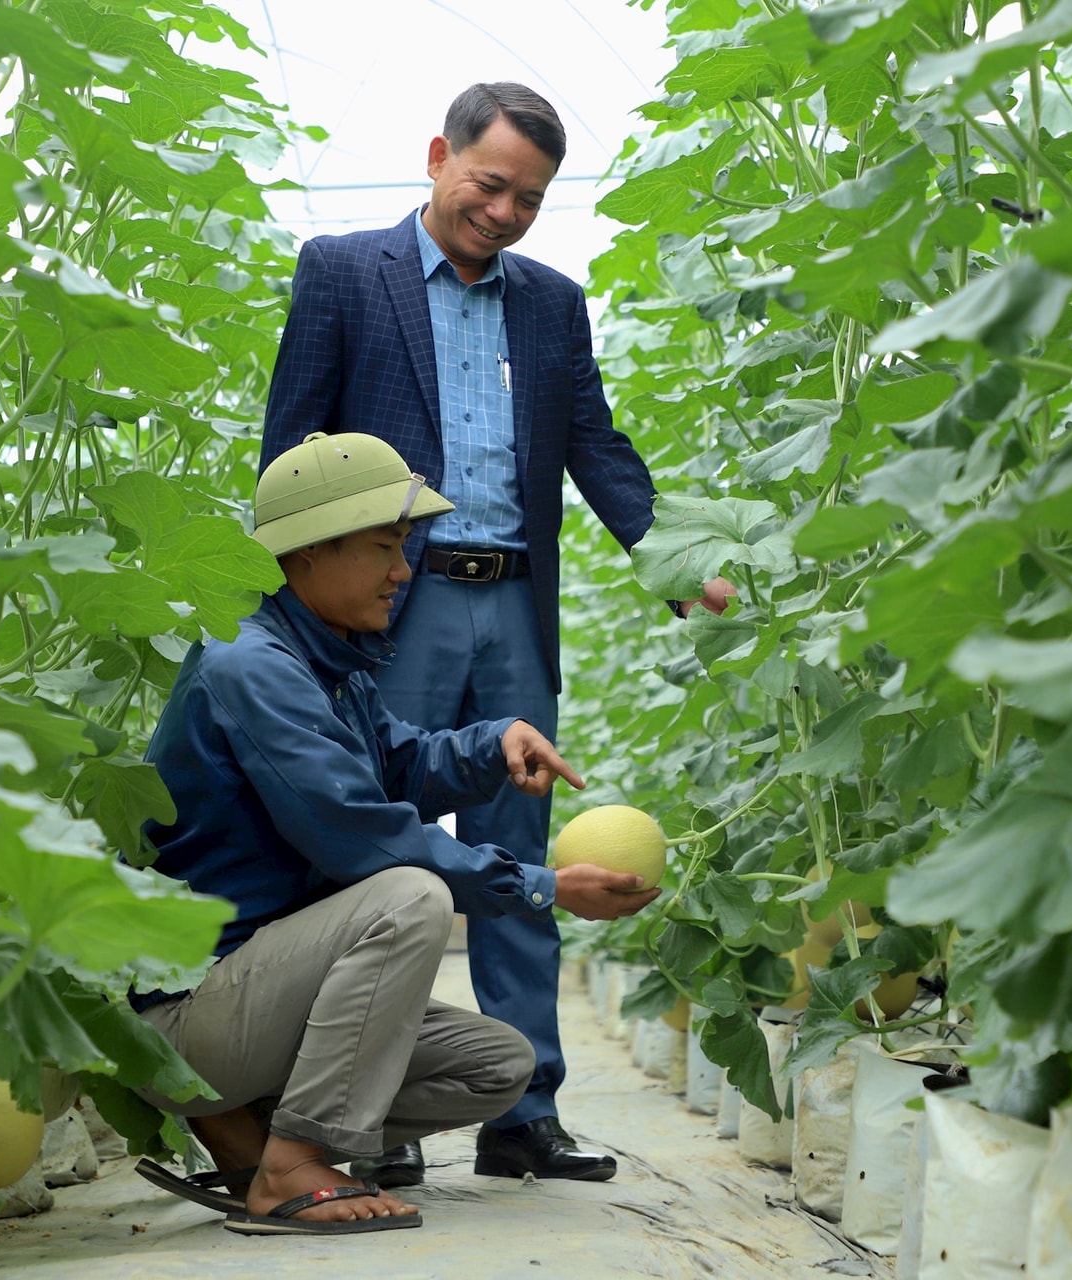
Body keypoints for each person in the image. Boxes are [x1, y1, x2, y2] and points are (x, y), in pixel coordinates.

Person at [260, 82, 733, 1187]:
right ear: (439, 157)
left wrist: (674, 564)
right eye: (490, 185)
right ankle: (375, 1116)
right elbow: (294, 448)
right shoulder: (343, 272)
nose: (505, 213)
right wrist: (303, 608)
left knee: (522, 852)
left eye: (529, 198)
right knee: (380, 858)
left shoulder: (551, 304)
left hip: (511, 602)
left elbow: (597, 449)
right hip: (395, 605)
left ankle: (526, 1114)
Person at [128, 431, 658, 1235]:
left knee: (498, 1067)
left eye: (403, 546)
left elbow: (400, 761)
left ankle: (252, 1130)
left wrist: (493, 741)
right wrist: (545, 887)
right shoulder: (251, 667)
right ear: (307, 553)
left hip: (264, 1004)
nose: (404, 570)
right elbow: (366, 836)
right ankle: (291, 1164)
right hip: (191, 1014)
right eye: (385, 546)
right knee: (408, 893)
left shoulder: (321, 660)